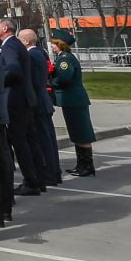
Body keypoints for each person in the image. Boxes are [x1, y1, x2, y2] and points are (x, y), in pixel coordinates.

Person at [0, 17, 42, 196]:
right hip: (24, 99)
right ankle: (37, 178)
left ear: (5, 28)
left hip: (16, 101)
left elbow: (14, 70)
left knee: (20, 142)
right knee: (30, 141)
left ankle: (30, 182)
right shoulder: (16, 44)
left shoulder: (9, 46)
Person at [50, 31, 97, 176]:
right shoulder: (63, 57)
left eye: (54, 43)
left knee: (81, 132)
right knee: (76, 133)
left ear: (60, 44)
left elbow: (65, 79)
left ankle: (87, 166)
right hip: (71, 100)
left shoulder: (65, 59)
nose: (52, 46)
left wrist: (50, 82)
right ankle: (81, 164)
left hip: (74, 100)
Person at [21, 28, 62, 186]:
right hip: (43, 101)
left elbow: (31, 80)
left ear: (26, 41)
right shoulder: (39, 53)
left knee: (43, 140)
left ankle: (48, 174)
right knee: (48, 138)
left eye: (20, 40)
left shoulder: (31, 55)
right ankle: (54, 172)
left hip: (38, 102)